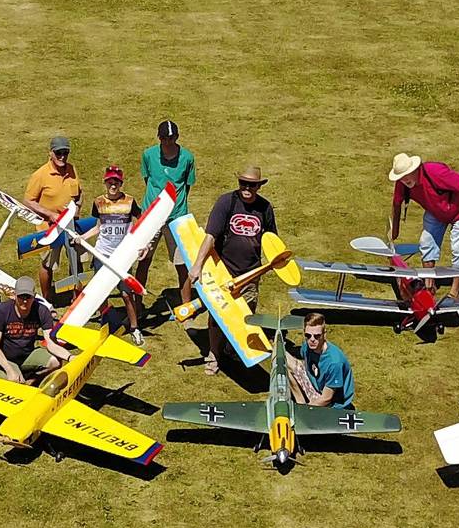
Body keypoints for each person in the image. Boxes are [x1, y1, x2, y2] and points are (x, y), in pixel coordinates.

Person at [189, 166, 277, 375]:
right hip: (223, 271)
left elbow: (272, 239)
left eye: (251, 185)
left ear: (258, 186)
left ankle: (231, 349)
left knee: (245, 315)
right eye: (243, 183)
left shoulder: (265, 208)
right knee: (217, 315)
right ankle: (213, 355)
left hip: (250, 274)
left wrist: (272, 263)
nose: (247, 188)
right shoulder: (226, 202)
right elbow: (210, 236)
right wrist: (197, 265)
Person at [137, 119, 198, 312]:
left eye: (171, 138)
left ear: (177, 137)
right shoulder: (148, 155)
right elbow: (148, 179)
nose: (168, 142)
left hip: (176, 219)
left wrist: (174, 206)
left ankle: (186, 308)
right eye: (164, 138)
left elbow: (187, 185)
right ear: (159, 138)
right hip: (151, 217)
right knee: (143, 260)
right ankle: (137, 306)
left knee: (181, 264)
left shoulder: (187, 158)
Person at [388, 152, 459, 276]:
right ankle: (429, 282)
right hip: (435, 212)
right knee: (426, 244)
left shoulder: (435, 172)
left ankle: (457, 286)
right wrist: (394, 232)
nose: (404, 180)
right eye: (401, 177)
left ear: (415, 170)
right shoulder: (402, 184)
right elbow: (397, 204)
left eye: (406, 175)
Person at [22, 134, 82, 299]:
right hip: (49, 228)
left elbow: (79, 194)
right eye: (58, 153)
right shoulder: (40, 175)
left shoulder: (71, 169)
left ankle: (76, 298)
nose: (62, 156)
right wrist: (50, 215)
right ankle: (47, 300)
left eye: (65, 153)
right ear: (50, 153)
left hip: (71, 225)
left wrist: (77, 208)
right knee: (48, 264)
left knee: (76, 261)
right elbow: (28, 201)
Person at [89, 165, 145, 338]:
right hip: (102, 254)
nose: (113, 185)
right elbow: (98, 227)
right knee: (101, 293)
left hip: (123, 256)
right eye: (110, 182)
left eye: (116, 182)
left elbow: (141, 221)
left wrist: (142, 243)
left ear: (121, 183)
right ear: (105, 182)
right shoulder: (98, 202)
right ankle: (105, 325)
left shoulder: (129, 201)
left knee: (126, 294)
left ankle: (135, 328)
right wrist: (81, 238)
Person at [0, 277, 69, 381]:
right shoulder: (1, 311)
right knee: (15, 381)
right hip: (2, 359)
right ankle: (18, 379)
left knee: (55, 362)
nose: (25, 301)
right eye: (21, 296)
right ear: (14, 295)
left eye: (28, 297)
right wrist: (9, 370)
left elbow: (51, 343)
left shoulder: (42, 311)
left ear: (34, 296)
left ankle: (32, 381)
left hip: (27, 356)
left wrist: (70, 357)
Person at [286, 313, 355, 408]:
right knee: (285, 359)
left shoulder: (334, 362)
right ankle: (300, 402)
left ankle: (302, 409)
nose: (312, 340)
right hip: (316, 386)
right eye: (308, 335)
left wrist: (307, 409)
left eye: (317, 336)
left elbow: (326, 399)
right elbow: (299, 356)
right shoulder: (307, 346)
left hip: (332, 403)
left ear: (324, 334)